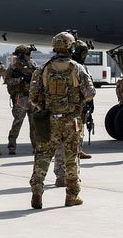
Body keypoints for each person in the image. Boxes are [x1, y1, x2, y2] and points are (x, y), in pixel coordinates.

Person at [28, 32, 95, 209]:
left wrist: (46, 105)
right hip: (71, 121)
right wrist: (77, 102)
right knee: (71, 159)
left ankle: (37, 190)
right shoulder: (77, 68)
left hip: (49, 120)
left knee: (43, 156)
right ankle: (71, 196)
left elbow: (33, 96)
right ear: (71, 47)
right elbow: (90, 93)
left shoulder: (42, 69)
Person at [5, 44, 37, 155]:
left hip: (32, 98)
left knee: (34, 124)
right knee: (17, 122)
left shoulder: (32, 65)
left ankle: (36, 147)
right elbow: (8, 81)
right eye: (27, 54)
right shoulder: (13, 67)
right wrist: (21, 79)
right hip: (21, 98)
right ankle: (12, 146)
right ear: (21, 55)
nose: (29, 56)